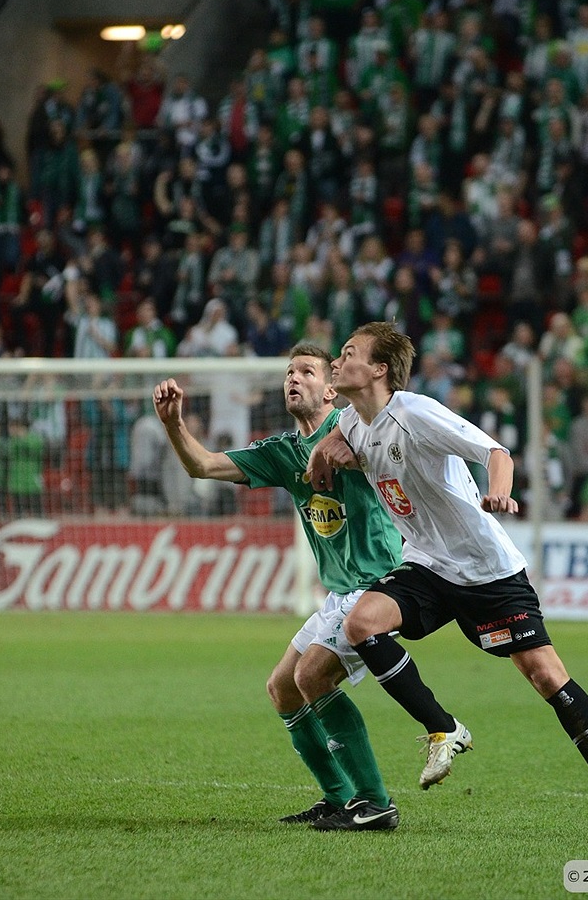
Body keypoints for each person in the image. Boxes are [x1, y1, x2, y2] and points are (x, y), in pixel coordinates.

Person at [306, 321, 588, 843]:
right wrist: (320, 452)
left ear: (379, 368)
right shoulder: (354, 422)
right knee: (362, 623)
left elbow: (497, 453)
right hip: (427, 564)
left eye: (348, 353)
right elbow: (341, 435)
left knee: (545, 676)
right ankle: (443, 728)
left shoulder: (416, 412)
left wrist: (498, 494)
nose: (337, 360)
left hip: (486, 570)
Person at [152, 343, 404, 832]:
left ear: (332, 387)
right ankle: (340, 797)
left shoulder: (358, 429)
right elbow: (201, 466)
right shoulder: (283, 452)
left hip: (381, 587)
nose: (294, 378)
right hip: (339, 595)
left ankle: (375, 802)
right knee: (283, 690)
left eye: (307, 371)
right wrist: (173, 424)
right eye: (289, 372)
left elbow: (390, 431)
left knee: (312, 677)